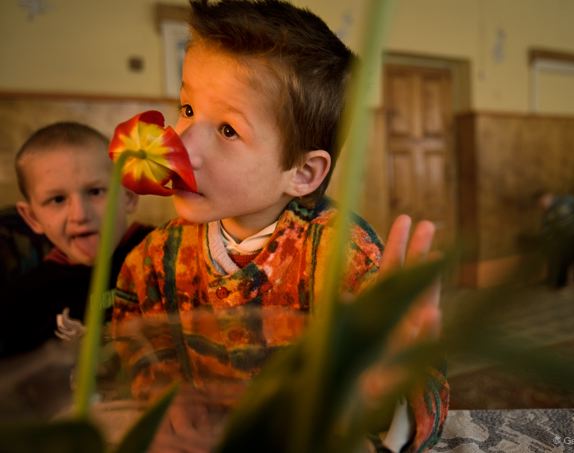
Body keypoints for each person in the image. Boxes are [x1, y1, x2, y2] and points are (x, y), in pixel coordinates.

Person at [111, 1, 448, 451]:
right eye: (188, 109)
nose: (182, 146)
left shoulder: (343, 256)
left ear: (303, 173)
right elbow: (134, 340)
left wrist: (392, 389)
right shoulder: (153, 259)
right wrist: (163, 393)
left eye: (228, 130)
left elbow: (421, 382)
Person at [0, 122, 153, 358]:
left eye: (95, 192)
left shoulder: (162, 252)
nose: (80, 215)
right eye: (58, 199)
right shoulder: (24, 300)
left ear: (129, 196)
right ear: (32, 218)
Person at [536, 190, 574, 289]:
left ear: (549, 196)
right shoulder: (547, 213)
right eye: (540, 203)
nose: (543, 204)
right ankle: (561, 281)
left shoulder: (567, 200)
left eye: (543, 200)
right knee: (565, 260)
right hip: (565, 238)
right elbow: (546, 228)